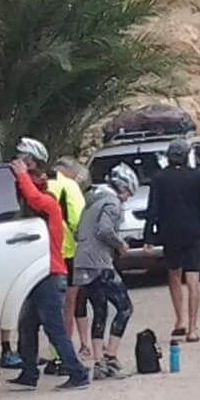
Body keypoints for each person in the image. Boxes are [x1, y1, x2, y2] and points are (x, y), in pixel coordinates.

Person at [10, 139, 92, 388]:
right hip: (39, 274)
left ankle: (77, 372)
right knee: (27, 325)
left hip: (49, 273)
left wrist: (22, 176)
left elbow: (34, 199)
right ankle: (29, 372)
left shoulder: (48, 204)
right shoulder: (37, 202)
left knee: (54, 327)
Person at [72, 162, 138, 379]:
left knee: (100, 310)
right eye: (128, 192)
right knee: (125, 308)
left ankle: (98, 362)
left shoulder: (91, 201)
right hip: (100, 263)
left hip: (82, 263)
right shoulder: (112, 203)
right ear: (122, 187)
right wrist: (120, 245)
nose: (128, 198)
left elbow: (77, 231)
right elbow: (105, 230)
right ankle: (111, 356)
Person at [146, 142, 200, 343]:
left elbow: (153, 210)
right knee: (193, 278)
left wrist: (149, 237)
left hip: (170, 234)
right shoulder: (197, 176)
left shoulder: (159, 179)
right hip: (193, 232)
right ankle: (193, 328)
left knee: (174, 275)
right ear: (186, 156)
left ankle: (179, 321)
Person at [50, 157, 91, 354]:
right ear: (69, 171)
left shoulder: (40, 185)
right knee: (69, 304)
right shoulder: (68, 186)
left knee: (49, 305)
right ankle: (65, 353)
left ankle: (53, 351)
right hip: (68, 251)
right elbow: (78, 219)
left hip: (43, 252)